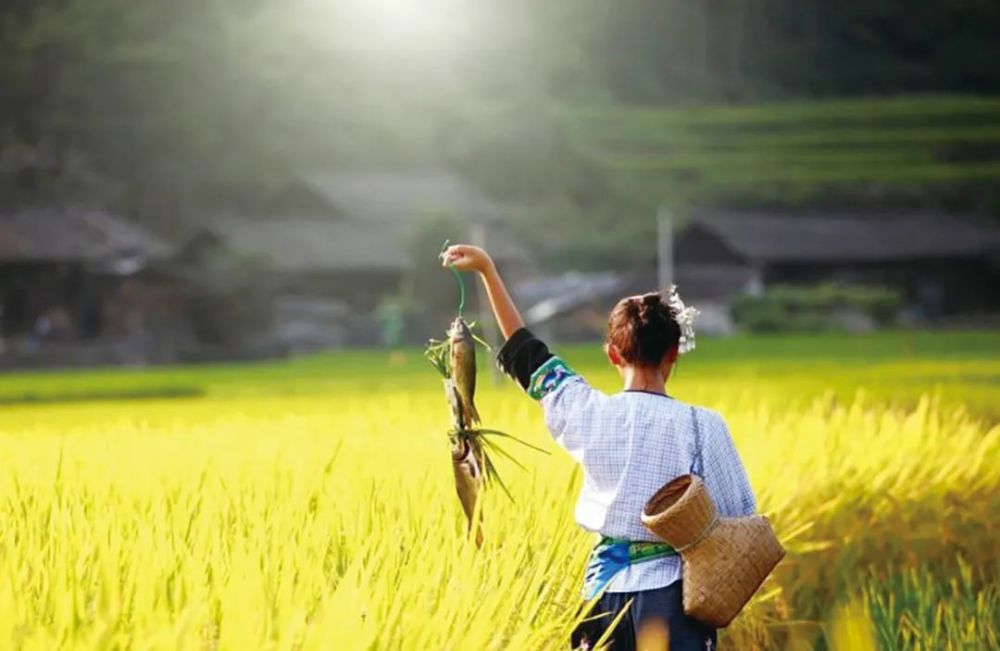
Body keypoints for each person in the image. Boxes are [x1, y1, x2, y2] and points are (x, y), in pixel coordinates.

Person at [441, 244, 757, 651]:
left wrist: (487, 270)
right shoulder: (703, 426)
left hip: (600, 600)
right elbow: (741, 519)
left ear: (611, 354)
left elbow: (525, 352)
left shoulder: (587, 411)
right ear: (674, 353)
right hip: (673, 599)